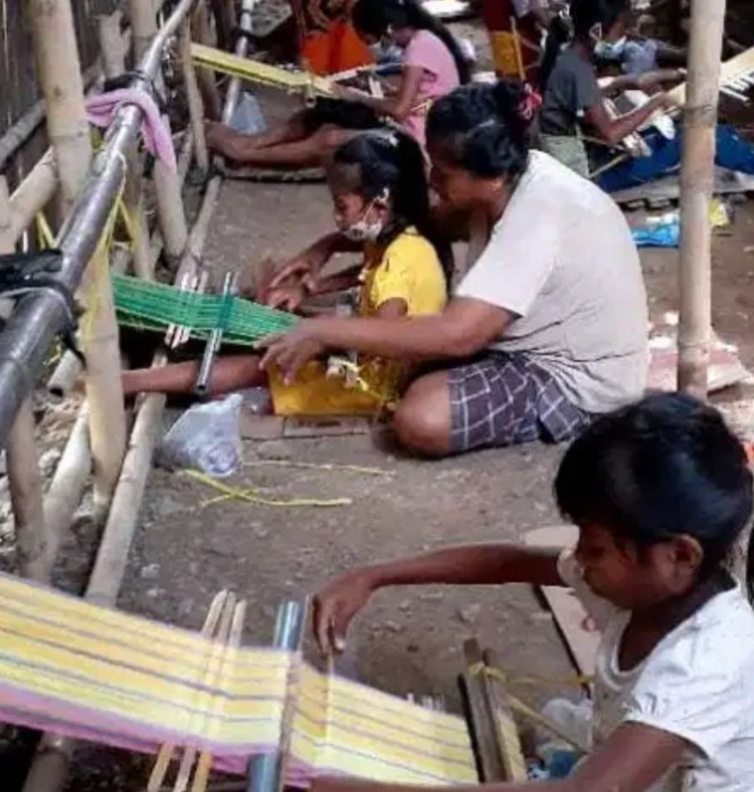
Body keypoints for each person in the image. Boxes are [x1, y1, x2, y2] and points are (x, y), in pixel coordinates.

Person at [10, 393, 754, 792]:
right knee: (359, 780)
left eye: (595, 548)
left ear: (679, 555)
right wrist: (378, 574)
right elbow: (514, 560)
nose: (579, 562)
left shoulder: (711, 659)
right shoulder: (653, 581)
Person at [261, 80, 649, 457]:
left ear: (493, 178)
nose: (432, 181)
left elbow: (458, 336)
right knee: (401, 362)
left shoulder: (537, 215)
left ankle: (574, 423)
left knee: (421, 417)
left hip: (575, 380)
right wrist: (325, 247)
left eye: (443, 174)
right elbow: (424, 225)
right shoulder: (511, 176)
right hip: (527, 345)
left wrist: (322, 329)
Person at [121, 130, 449, 418]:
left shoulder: (403, 258)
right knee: (281, 325)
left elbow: (385, 333)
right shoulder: (398, 239)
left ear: (378, 208)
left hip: (373, 383)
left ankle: (128, 383)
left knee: (263, 364)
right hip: (371, 359)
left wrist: (321, 334)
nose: (336, 217)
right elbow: (367, 274)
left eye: (341, 206)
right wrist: (310, 286)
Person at [205, 0, 469, 171]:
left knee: (329, 139)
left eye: (368, 39)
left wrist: (357, 96)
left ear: (386, 30)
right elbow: (417, 98)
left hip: (416, 140)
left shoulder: (419, 48)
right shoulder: (421, 43)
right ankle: (252, 143)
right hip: (412, 123)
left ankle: (246, 154)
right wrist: (375, 88)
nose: (372, 46)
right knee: (320, 114)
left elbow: (401, 110)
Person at [538, 0, 683, 178]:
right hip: (563, 150)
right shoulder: (579, 69)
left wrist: (625, 81)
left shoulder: (566, 52)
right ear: (596, 31)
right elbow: (611, 134)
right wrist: (657, 101)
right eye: (621, 29)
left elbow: (592, 87)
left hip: (552, 135)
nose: (625, 35)